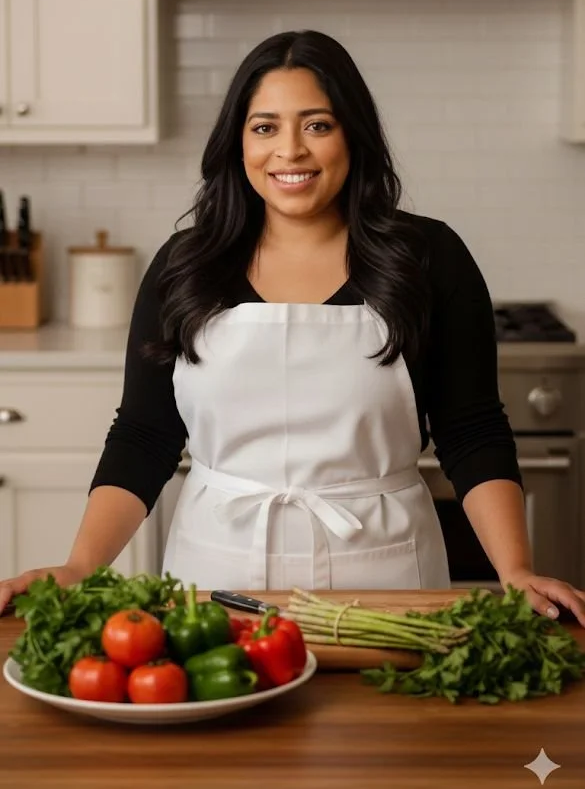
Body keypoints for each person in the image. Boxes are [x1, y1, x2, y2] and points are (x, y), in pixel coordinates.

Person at [1, 30, 584, 624]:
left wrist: (515, 571)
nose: (290, 151)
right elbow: (145, 436)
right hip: (215, 582)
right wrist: (79, 567)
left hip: (386, 587)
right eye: (265, 127)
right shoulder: (188, 264)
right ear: (238, 142)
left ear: (353, 134)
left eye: (317, 125)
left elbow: (471, 429)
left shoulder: (428, 257)